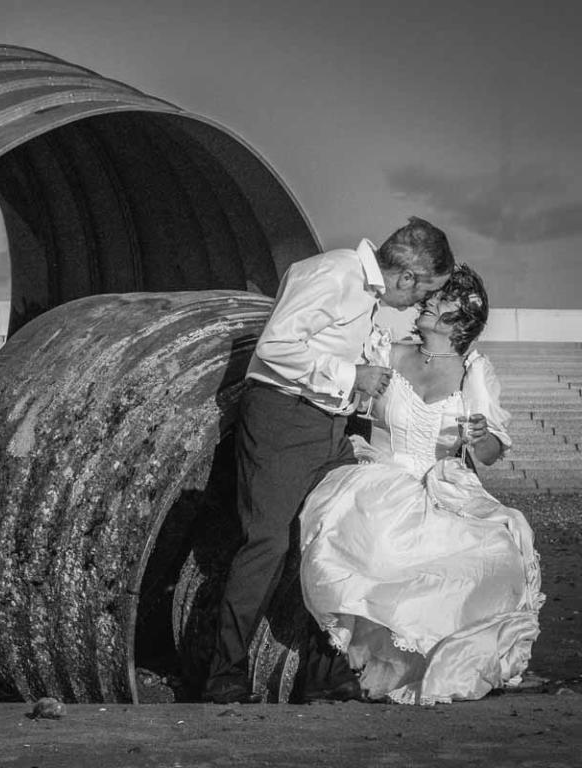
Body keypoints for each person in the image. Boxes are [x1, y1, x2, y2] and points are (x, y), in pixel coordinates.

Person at [203, 217, 455, 704]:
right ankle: (221, 676)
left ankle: (326, 671)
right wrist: (350, 373)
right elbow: (275, 345)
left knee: (338, 535)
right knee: (269, 544)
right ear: (406, 278)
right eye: (424, 292)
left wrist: (355, 390)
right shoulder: (333, 274)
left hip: (327, 427)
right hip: (283, 419)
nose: (418, 304)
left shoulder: (364, 295)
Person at [298, 265, 544, 704]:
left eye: (442, 299)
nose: (428, 300)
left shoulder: (474, 371)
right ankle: (345, 661)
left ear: (461, 321)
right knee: (375, 543)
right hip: (378, 477)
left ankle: (431, 660)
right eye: (432, 296)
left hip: (442, 484)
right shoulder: (388, 353)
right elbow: (349, 398)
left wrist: (481, 435)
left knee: (495, 558)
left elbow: (489, 452)